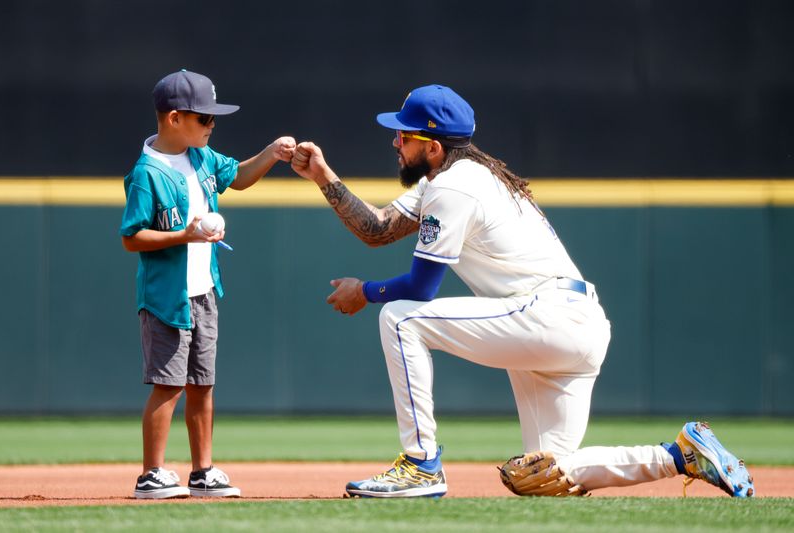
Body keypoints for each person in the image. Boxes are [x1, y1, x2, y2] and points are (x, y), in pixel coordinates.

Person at [290, 84, 754, 498]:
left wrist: (365, 291)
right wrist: (322, 176)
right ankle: (680, 455)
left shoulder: (456, 188)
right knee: (542, 475)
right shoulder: (454, 179)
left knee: (400, 316)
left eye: (404, 135)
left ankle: (420, 465)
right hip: (570, 324)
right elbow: (376, 229)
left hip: (548, 316)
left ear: (431, 147)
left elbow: (421, 287)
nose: (395, 141)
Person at [120, 69, 295, 499]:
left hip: (204, 291)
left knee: (202, 382)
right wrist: (185, 234)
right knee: (169, 383)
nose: (212, 125)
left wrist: (271, 153)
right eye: (205, 118)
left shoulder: (202, 156)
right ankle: (152, 474)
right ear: (175, 118)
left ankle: (203, 470)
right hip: (166, 297)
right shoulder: (148, 172)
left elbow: (239, 176)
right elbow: (131, 236)